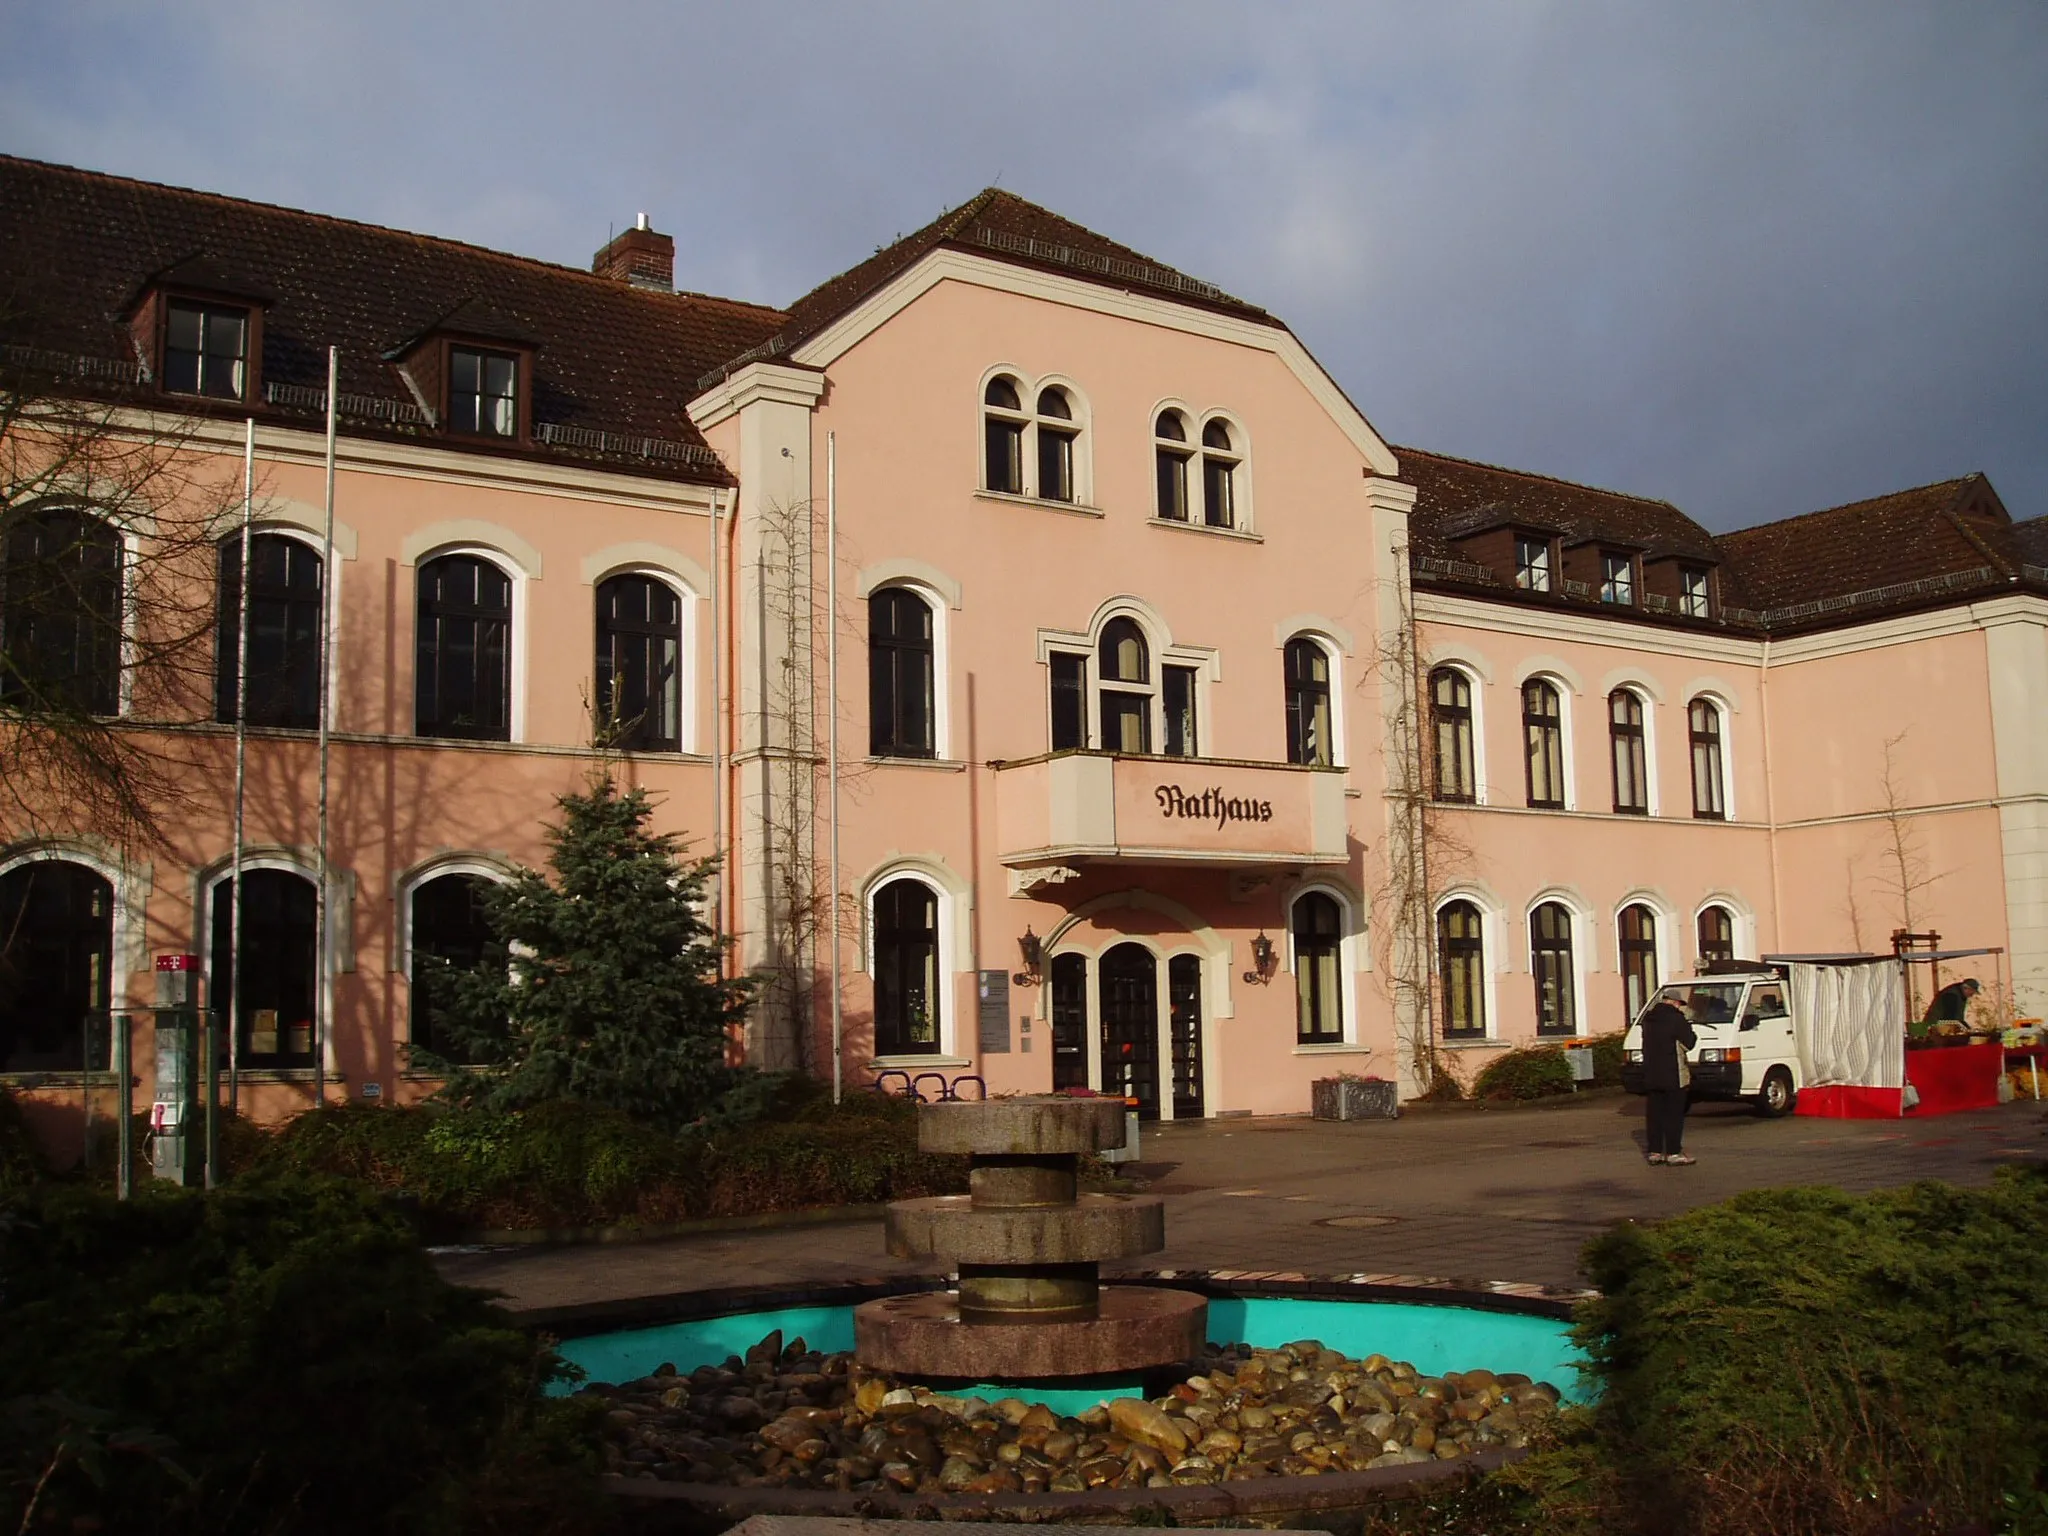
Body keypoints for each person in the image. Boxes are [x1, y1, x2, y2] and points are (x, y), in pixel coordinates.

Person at [1639, 995, 1698, 1166]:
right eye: (1680, 1004)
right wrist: (1688, 1027)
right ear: (1674, 1002)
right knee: (1674, 1114)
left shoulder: (1648, 1019)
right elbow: (1689, 1043)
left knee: (1654, 1113)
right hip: (1673, 1073)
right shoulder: (1676, 1019)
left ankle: (1654, 1152)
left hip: (1651, 1073)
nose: (1680, 1008)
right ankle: (1673, 1152)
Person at [1912, 977, 1981, 1040]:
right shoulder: (1951, 995)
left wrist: (1968, 1030)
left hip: (1942, 1027)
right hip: (1935, 1028)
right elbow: (1949, 1019)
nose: (1972, 995)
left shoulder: (1960, 994)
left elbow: (1958, 1019)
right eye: (1972, 992)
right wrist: (1966, 1030)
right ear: (1965, 988)